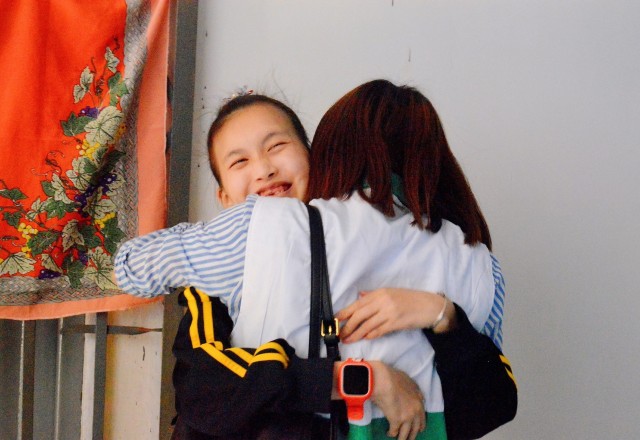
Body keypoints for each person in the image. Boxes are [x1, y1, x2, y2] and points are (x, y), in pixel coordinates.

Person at [115, 83, 517, 439]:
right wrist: (359, 380)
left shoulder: (327, 240)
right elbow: (205, 392)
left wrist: (440, 314)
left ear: (319, 157)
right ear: (224, 200)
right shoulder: (218, 270)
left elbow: (489, 405)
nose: (265, 169)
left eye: (277, 146)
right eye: (239, 162)